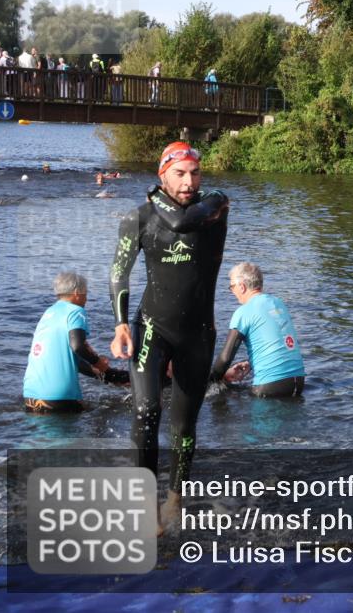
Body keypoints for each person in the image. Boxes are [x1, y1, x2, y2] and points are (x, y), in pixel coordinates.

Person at [109, 141, 229, 530]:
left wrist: (154, 194)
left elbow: (179, 222)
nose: (189, 181)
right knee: (146, 412)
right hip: (151, 329)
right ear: (163, 174)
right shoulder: (138, 218)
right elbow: (119, 274)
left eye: (195, 172)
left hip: (198, 332)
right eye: (179, 173)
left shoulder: (215, 205)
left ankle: (174, 499)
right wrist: (120, 322)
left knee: (184, 425)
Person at [23, 272, 129, 413]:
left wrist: (106, 374)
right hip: (59, 397)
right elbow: (78, 346)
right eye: (86, 294)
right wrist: (99, 363)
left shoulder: (48, 313)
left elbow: (73, 359)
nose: (86, 298)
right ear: (77, 293)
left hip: (31, 397)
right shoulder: (75, 311)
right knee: (110, 413)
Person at [209, 263, 306, 398]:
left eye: (232, 287)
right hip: (298, 381)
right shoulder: (278, 303)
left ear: (242, 287)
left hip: (270, 385)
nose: (232, 292)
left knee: (224, 394)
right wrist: (252, 362)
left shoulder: (243, 312)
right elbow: (278, 343)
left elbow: (225, 359)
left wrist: (212, 381)